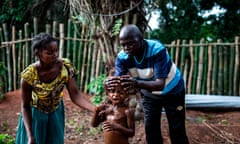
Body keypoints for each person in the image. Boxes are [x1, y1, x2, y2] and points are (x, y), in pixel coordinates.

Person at [105, 24, 189, 144]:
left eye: (130, 43)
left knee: (176, 129)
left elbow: (160, 84)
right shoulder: (122, 57)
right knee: (151, 129)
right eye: (123, 44)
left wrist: (136, 83)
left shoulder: (157, 50)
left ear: (141, 39)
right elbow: (119, 83)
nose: (126, 48)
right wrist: (109, 81)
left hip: (173, 90)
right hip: (149, 93)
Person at [15, 33, 95, 144]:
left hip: (56, 112)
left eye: (56, 51)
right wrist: (30, 135)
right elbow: (25, 106)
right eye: (50, 53)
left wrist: (95, 109)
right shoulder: (29, 76)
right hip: (36, 116)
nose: (55, 55)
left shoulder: (65, 67)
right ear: (38, 53)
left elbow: (75, 94)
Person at [91, 76, 135, 144]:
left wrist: (118, 127)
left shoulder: (127, 111)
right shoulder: (106, 110)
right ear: (108, 93)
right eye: (112, 91)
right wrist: (96, 111)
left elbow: (131, 133)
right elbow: (94, 125)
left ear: (127, 94)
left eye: (120, 92)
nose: (115, 95)